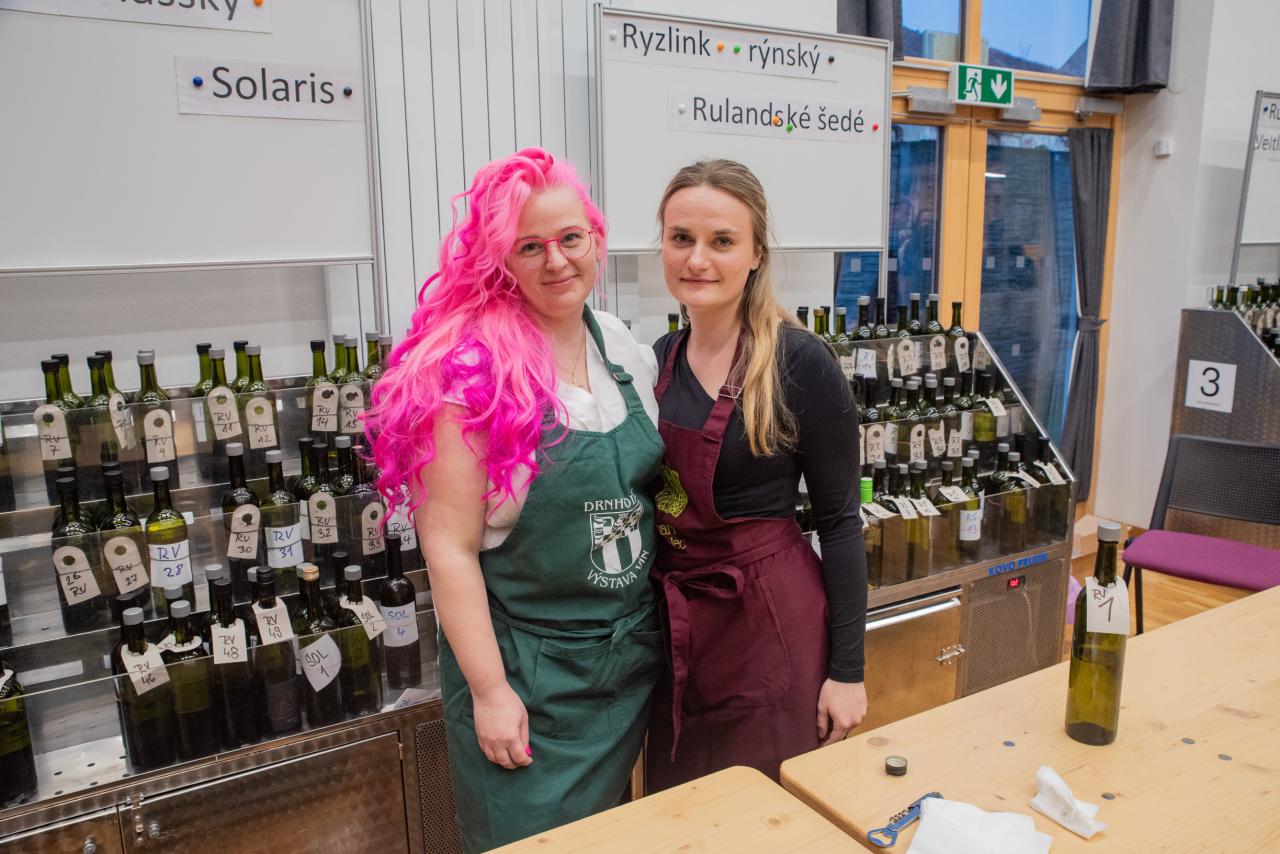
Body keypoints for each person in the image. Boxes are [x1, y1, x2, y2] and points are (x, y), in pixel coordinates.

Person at [367, 148, 665, 852]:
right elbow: (448, 547)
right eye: (529, 247)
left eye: (570, 238)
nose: (556, 261)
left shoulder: (620, 347)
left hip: (627, 666)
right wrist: (491, 692)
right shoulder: (473, 377)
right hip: (530, 681)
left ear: (596, 240)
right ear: (500, 259)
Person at [646, 159, 869, 790]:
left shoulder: (800, 362)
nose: (697, 259)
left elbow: (840, 524)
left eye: (722, 241)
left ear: (755, 255)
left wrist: (848, 671)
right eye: (681, 238)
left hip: (769, 630)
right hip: (681, 631)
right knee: (680, 812)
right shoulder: (659, 360)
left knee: (764, 812)